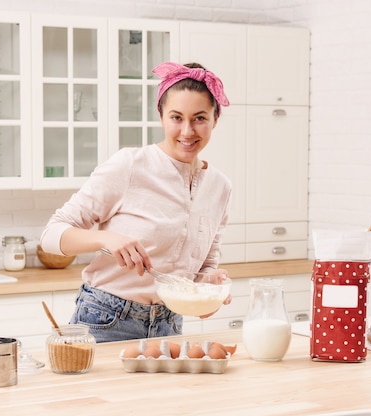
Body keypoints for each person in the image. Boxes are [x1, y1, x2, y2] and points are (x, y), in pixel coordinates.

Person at [40, 61, 232, 343]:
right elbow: (51, 235)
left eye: (200, 118)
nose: (187, 131)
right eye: (176, 117)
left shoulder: (220, 186)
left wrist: (210, 287)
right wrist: (106, 239)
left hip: (169, 325)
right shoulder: (130, 165)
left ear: (215, 119)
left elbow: (204, 267)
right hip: (106, 319)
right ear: (161, 116)